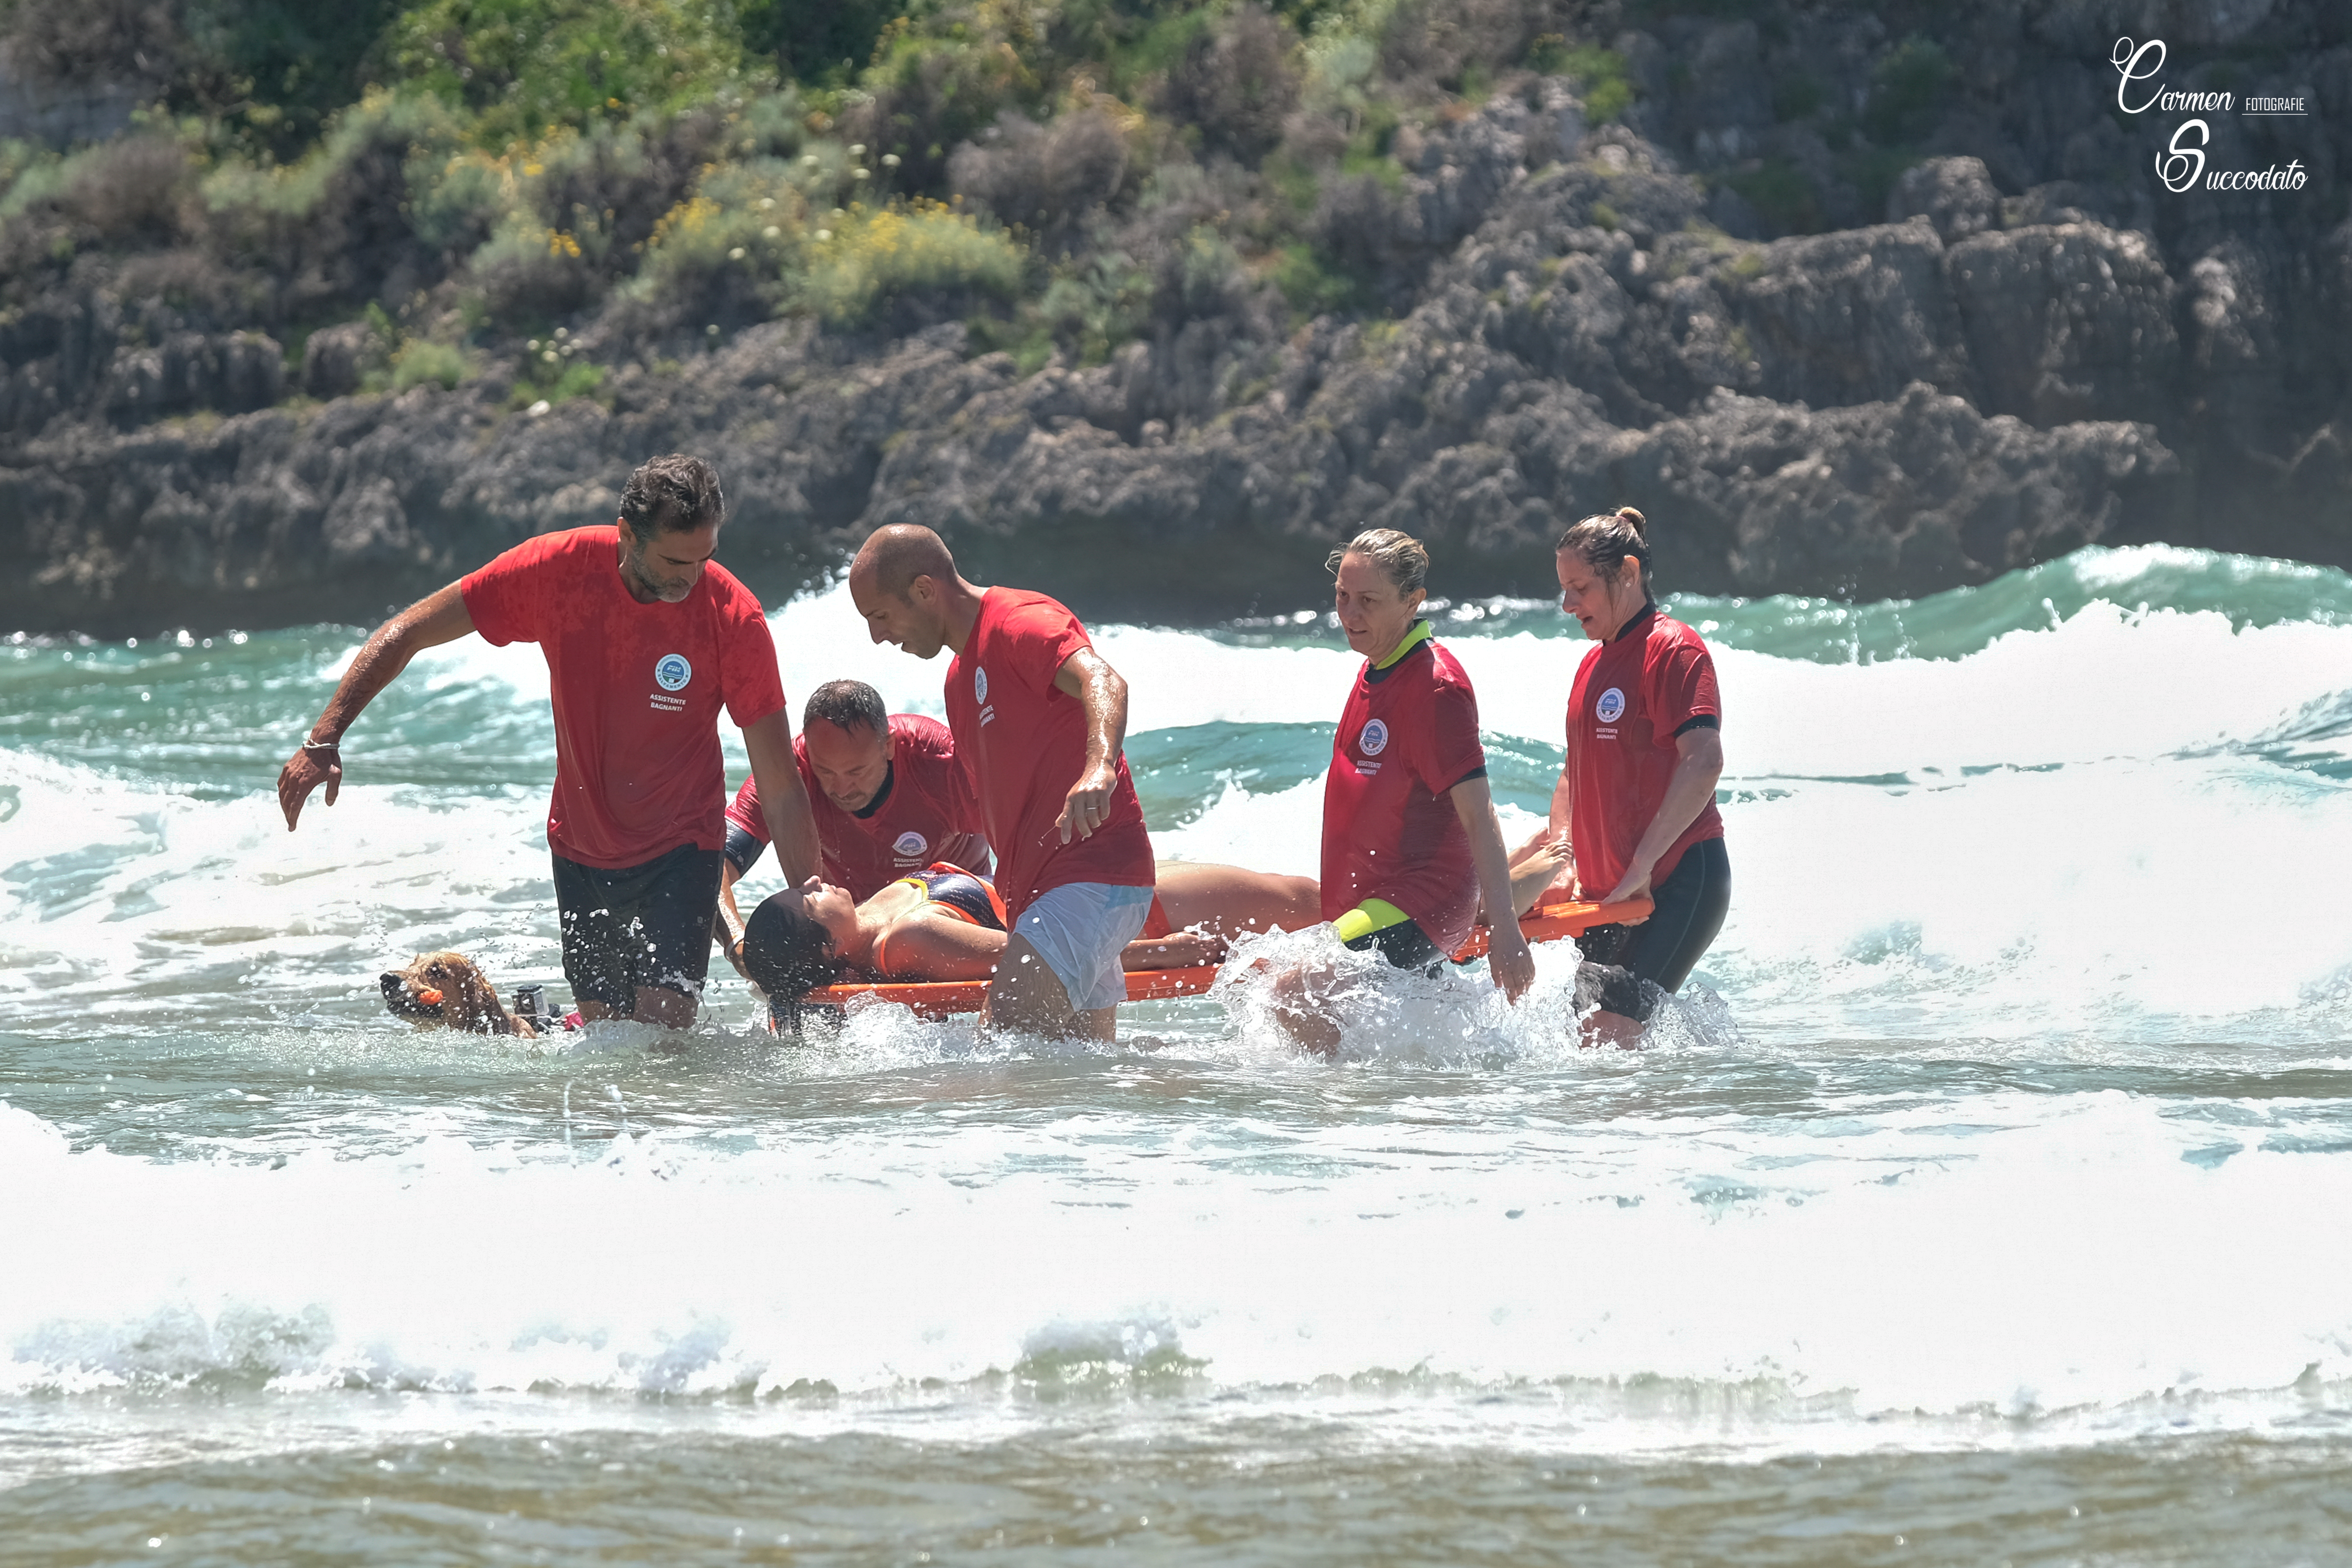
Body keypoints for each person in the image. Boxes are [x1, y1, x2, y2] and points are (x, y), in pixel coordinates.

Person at [275, 454, 820, 1030]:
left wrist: (817, 924)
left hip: (683, 848)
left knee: (661, 1040)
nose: (692, 578)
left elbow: (781, 785)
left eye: (705, 558)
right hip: (582, 850)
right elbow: (409, 630)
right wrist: (324, 737)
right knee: (607, 1041)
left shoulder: (733, 618)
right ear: (628, 536)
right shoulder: (557, 572)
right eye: (675, 560)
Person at [847, 525, 1155, 1040]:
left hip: (1089, 878)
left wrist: (1099, 766)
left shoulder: (1019, 622)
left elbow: (1102, 680)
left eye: (880, 616)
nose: (879, 636)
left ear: (925, 590)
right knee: (1078, 1080)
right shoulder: (958, 680)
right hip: (1040, 897)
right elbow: (986, 800)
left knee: (1001, 1054)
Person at [1280, 529, 1535, 1056]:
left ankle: (1333, 1112)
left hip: (1423, 900)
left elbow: (1478, 811)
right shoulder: (1376, 666)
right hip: (1376, 899)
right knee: (1406, 1045)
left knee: (1290, 990)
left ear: (1412, 601)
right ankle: (1386, 1108)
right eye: (1342, 596)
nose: (1349, 613)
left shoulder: (1435, 687)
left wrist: (1507, 931)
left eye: (1368, 601)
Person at [1548, 505, 1729, 1044]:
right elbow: (1571, 776)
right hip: (1611, 894)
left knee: (1607, 1034)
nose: (1567, 603)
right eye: (1563, 588)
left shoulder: (1672, 649)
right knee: (1576, 1036)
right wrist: (1561, 859)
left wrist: (1641, 865)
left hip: (1676, 880)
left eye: (1579, 587)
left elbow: (1704, 761)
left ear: (1627, 573)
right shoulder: (1591, 665)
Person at [740, 860, 1316, 1012]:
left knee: (1297, 895)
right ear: (828, 946)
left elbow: (760, 961)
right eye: (807, 898)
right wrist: (1177, 951)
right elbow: (1040, 960)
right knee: (1303, 902)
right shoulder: (910, 938)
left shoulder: (871, 915)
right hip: (1115, 919)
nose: (813, 882)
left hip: (1077, 890)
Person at [714, 678, 989, 965]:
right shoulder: (793, 774)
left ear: (889, 746)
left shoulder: (938, 762)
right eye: (826, 772)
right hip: (848, 930)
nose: (842, 790)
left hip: (955, 917)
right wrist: (737, 942)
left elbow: (1026, 834)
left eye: (857, 771)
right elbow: (712, 863)